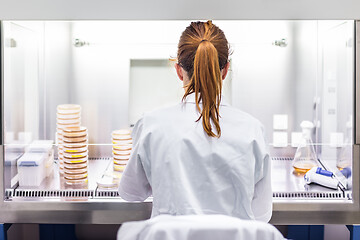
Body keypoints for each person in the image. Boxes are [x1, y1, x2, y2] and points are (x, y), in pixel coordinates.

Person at [118, 20, 272, 222]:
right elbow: (262, 214)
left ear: (179, 70)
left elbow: (131, 193)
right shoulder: (253, 129)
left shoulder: (151, 125)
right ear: (225, 70)